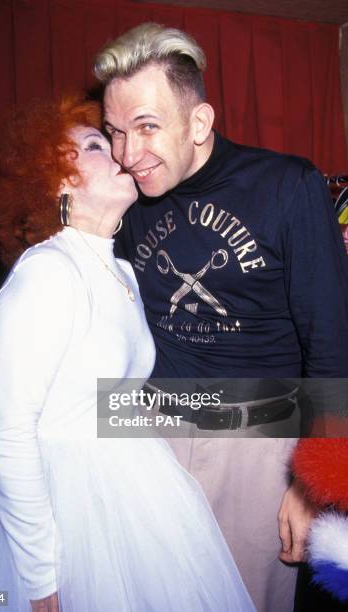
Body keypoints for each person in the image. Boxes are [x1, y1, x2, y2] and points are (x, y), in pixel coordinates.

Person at [0, 96, 255, 611]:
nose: (117, 153)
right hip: (66, 509)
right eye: (93, 145)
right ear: (56, 183)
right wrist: (41, 578)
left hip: (130, 485)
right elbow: (6, 432)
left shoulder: (123, 271)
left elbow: (106, 394)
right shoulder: (48, 271)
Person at [92, 23, 348, 611]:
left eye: (148, 126)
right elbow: (101, 312)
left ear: (200, 123)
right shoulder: (129, 201)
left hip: (254, 443)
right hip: (143, 431)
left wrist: (315, 484)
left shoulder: (287, 185)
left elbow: (332, 341)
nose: (128, 154)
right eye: (115, 132)